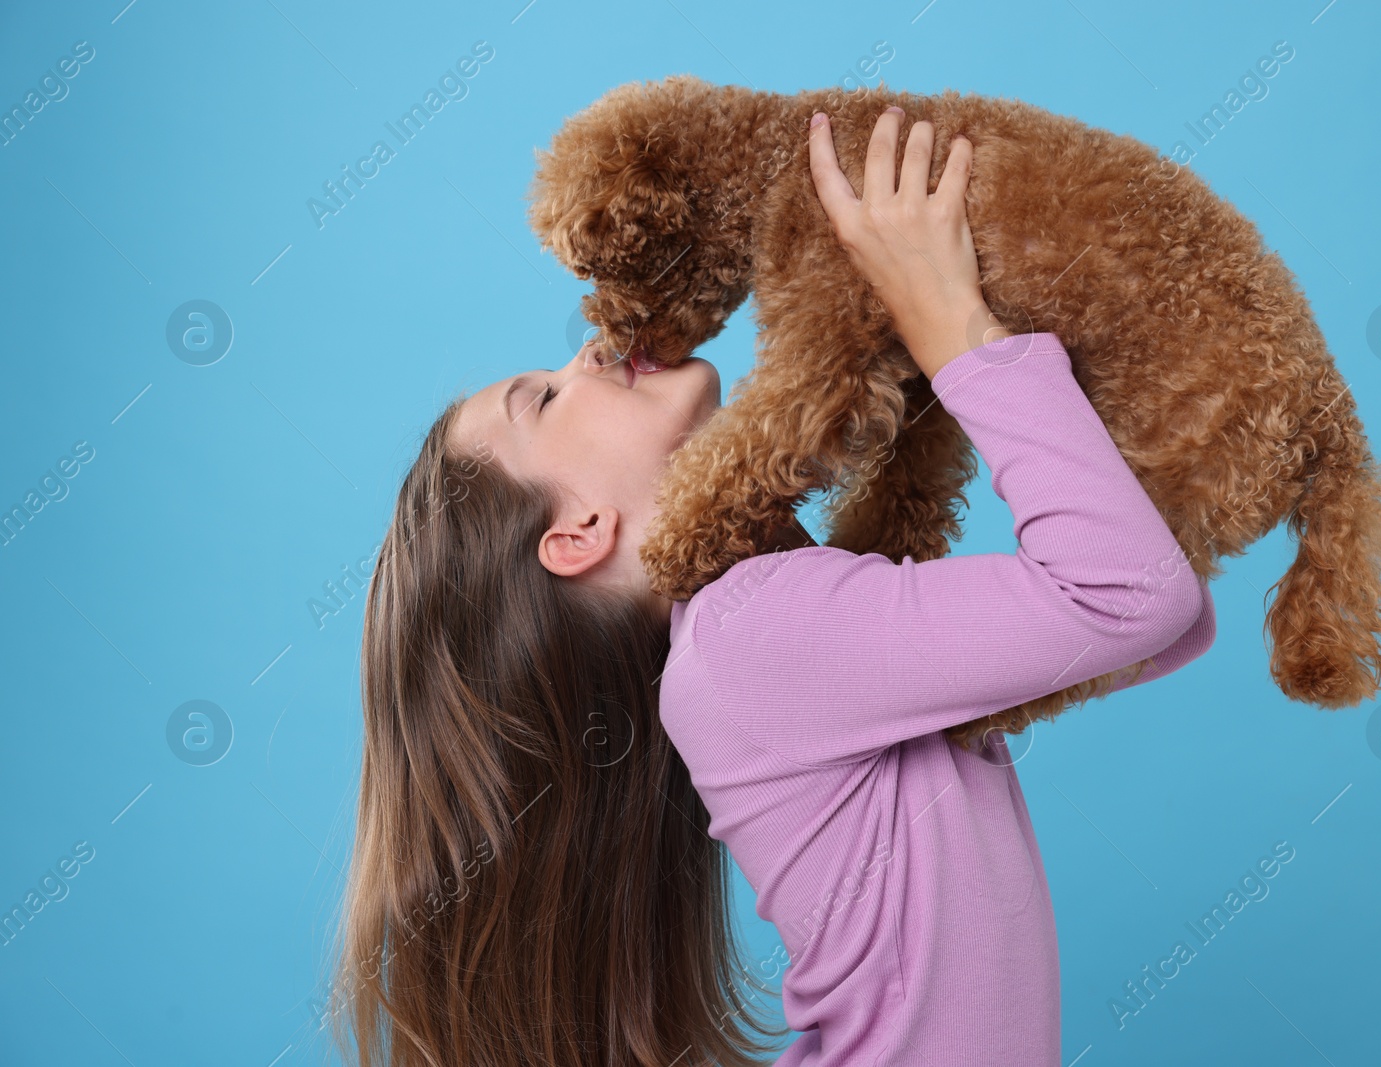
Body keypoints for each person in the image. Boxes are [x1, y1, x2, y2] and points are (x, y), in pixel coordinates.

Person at [332, 105, 1216, 1067]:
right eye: (541, 397)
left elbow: (1146, 613)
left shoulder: (759, 618)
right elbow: (1133, 597)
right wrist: (950, 322)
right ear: (576, 531)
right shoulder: (750, 639)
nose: (582, 349)